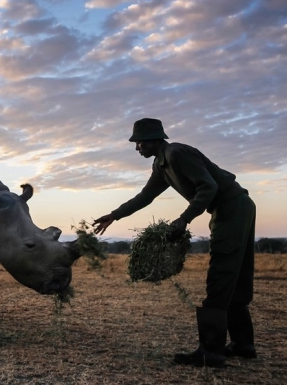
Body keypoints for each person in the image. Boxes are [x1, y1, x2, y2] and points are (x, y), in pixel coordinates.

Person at [93, 118, 257, 368]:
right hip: (234, 207)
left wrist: (184, 219)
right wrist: (115, 215)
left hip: (231, 207)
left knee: (222, 274)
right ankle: (243, 345)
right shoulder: (161, 165)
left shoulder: (176, 152)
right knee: (235, 276)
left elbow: (208, 187)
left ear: (152, 139)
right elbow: (145, 197)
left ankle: (211, 351)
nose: (137, 148)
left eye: (138, 142)